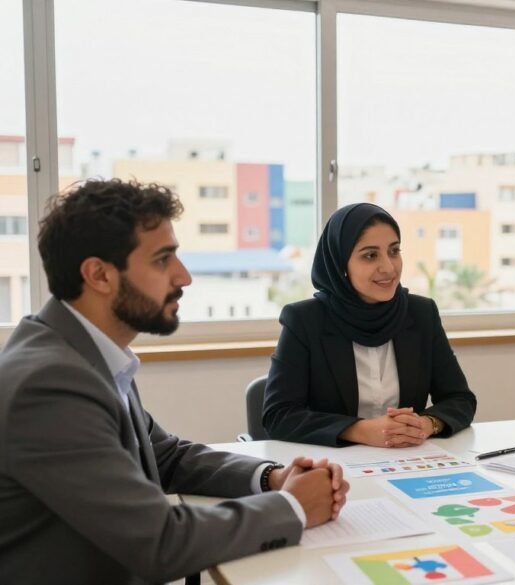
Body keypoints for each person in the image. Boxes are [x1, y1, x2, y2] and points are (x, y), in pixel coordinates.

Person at [0, 179, 350, 585]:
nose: (184, 277)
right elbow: (161, 543)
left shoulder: (83, 352)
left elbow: (165, 457)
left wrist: (273, 477)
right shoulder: (49, 385)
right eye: (163, 260)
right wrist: (292, 507)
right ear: (98, 275)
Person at [263, 202, 477, 447]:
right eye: (370, 255)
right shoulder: (305, 320)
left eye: (394, 251)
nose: (388, 267)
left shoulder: (421, 313)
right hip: (332, 468)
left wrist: (426, 424)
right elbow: (279, 416)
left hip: (407, 460)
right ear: (341, 265)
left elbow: (460, 399)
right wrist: (360, 430)